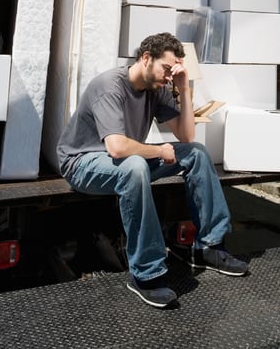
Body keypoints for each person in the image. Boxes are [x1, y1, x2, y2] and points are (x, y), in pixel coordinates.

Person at [57, 32, 247, 308]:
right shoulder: (110, 85)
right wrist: (158, 151)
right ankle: (145, 274)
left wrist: (183, 88)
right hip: (82, 162)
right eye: (167, 69)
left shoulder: (157, 88)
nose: (169, 76)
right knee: (134, 166)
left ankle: (209, 246)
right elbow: (117, 148)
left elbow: (186, 136)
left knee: (196, 153)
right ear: (146, 58)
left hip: (123, 160)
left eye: (173, 72)